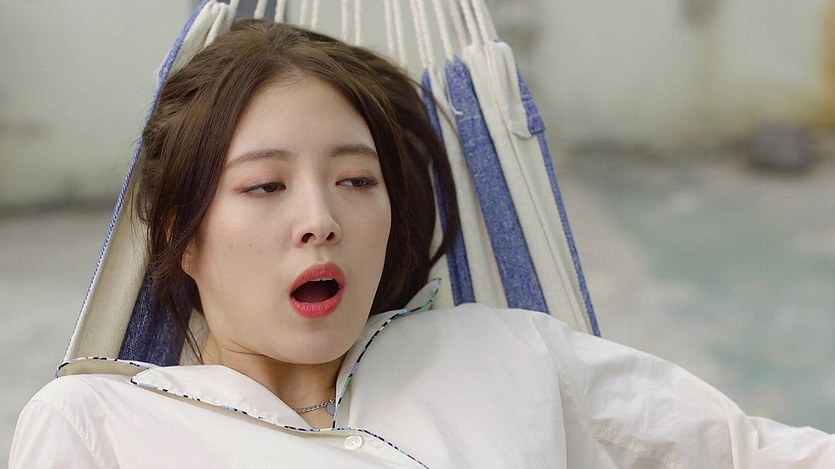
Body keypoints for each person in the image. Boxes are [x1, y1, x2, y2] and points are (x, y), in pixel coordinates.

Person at [9, 20, 835, 468]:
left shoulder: (508, 353)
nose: (320, 218)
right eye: (264, 186)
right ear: (180, 233)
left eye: (356, 179)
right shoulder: (99, 425)